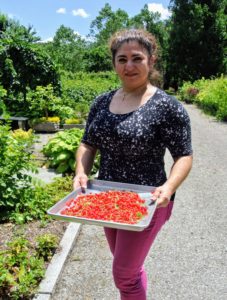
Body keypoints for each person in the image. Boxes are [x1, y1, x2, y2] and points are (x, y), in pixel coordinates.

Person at [73, 28, 193, 300]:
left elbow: (183, 155)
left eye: (137, 58)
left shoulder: (167, 107)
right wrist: (82, 171)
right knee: (128, 266)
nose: (129, 66)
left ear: (151, 61)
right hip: (108, 197)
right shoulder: (101, 102)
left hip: (148, 200)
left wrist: (169, 186)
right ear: (114, 63)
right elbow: (88, 143)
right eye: (122, 59)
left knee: (123, 273)